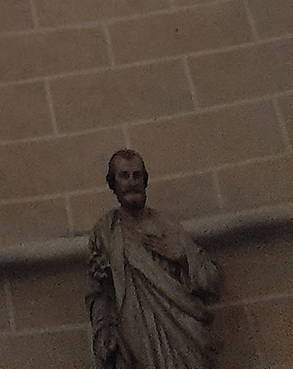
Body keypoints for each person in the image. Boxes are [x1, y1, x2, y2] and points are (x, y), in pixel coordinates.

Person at [86, 150, 219, 368]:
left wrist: (183, 257)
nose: (132, 183)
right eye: (124, 176)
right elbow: (99, 292)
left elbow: (211, 279)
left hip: (182, 335)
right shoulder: (105, 232)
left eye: (137, 175)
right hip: (134, 340)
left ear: (145, 181)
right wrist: (104, 332)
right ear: (113, 184)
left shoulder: (167, 227)